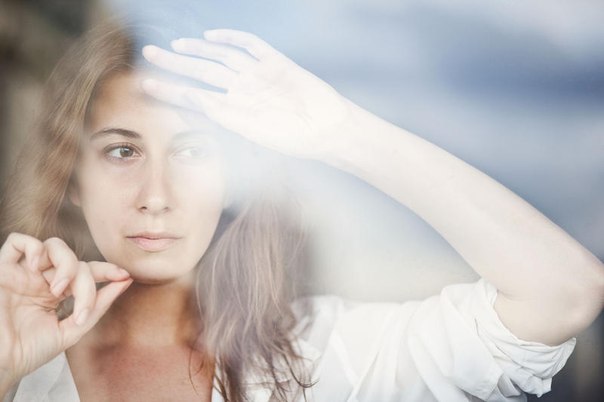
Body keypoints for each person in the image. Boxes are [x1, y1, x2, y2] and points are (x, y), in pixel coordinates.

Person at [0, 21, 602, 402]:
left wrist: (340, 132)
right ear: (72, 178)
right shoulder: (15, 350)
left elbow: (565, 292)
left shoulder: (328, 354)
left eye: (193, 150)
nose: (156, 194)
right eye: (123, 150)